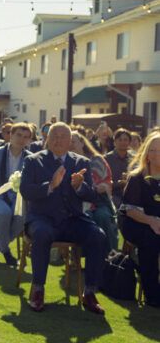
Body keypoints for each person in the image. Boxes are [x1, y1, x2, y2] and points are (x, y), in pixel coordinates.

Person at [20, 122, 107, 314]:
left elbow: (92, 195)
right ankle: (38, 289)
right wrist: (50, 185)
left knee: (98, 235)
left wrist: (79, 186)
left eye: (62, 137)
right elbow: (25, 190)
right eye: (54, 136)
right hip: (42, 218)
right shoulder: (34, 160)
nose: (58, 140)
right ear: (47, 139)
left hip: (72, 220)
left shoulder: (81, 162)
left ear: (71, 141)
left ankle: (90, 292)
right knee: (42, 233)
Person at [0, 121, 32, 265]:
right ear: (11, 135)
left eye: (26, 137)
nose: (22, 140)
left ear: (29, 140)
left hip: (18, 198)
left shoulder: (30, 158)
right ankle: (6, 252)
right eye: (19, 135)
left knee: (21, 217)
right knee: (4, 213)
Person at [119, 133, 160, 308]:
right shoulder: (137, 177)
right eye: (153, 150)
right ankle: (152, 294)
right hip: (136, 221)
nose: (157, 154)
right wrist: (151, 220)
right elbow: (129, 209)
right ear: (146, 154)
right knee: (151, 239)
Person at [70, 130, 118, 253]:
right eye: (68, 142)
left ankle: (109, 255)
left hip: (100, 200)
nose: (70, 145)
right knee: (86, 217)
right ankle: (82, 256)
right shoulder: (67, 161)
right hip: (77, 203)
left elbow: (106, 183)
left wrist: (88, 190)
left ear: (82, 143)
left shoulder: (96, 159)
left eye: (73, 141)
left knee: (102, 216)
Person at [104, 128, 133, 209]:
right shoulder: (107, 159)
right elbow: (102, 182)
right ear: (114, 142)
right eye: (120, 140)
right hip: (112, 196)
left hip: (131, 196)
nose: (122, 142)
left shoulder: (134, 159)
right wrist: (118, 184)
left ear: (129, 142)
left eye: (125, 140)